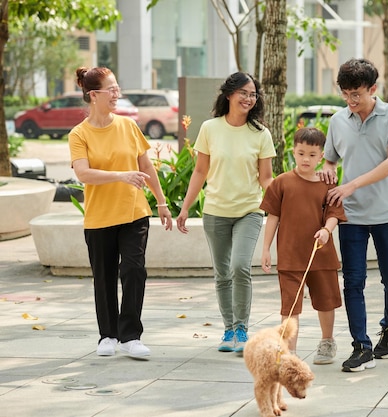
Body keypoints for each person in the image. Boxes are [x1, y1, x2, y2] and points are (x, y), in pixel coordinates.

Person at [69, 66, 173, 358]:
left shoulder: (128, 126)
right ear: (93, 95)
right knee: (103, 277)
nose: (117, 94)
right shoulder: (79, 134)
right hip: (99, 217)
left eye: (117, 88)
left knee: (134, 270)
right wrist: (120, 176)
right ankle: (108, 336)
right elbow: (84, 174)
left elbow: (146, 166)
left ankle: (130, 336)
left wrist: (161, 202)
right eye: (111, 90)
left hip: (133, 213)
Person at [321, 58, 388, 372]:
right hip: (352, 215)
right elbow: (330, 160)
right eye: (345, 94)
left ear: (373, 88)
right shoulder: (337, 120)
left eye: (356, 94)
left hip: (387, 211)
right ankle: (361, 346)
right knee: (353, 282)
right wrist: (328, 172)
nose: (350, 100)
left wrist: (351, 185)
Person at [176, 72, 275, 354]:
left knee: (240, 266)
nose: (249, 98)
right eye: (244, 92)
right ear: (229, 94)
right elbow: (200, 171)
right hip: (216, 211)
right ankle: (229, 328)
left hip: (249, 210)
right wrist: (185, 207)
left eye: (253, 94)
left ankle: (242, 328)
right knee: (222, 274)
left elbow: (266, 178)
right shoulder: (210, 128)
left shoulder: (261, 133)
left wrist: (284, 199)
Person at [260, 127, 347, 364]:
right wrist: (266, 248)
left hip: (321, 255)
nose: (305, 159)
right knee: (290, 305)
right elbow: (273, 217)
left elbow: (333, 214)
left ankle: (327, 341)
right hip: (290, 255)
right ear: (293, 153)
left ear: (321, 157)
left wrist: (326, 230)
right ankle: (290, 351)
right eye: (301, 153)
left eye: (311, 154)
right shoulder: (281, 183)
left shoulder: (327, 183)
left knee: (326, 300)